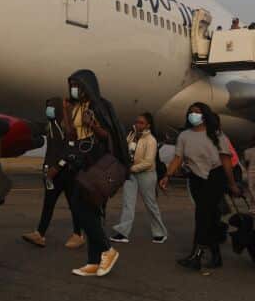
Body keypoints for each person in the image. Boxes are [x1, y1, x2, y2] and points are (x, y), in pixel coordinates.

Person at [59, 71, 128, 278]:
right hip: (81, 160)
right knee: (89, 210)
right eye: (71, 85)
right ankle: (93, 261)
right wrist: (65, 112)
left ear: (87, 86)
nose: (74, 89)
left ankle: (107, 250)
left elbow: (109, 136)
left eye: (77, 85)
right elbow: (71, 135)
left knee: (81, 206)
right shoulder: (77, 107)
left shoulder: (99, 106)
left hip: (96, 161)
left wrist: (93, 125)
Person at [161, 103, 237, 272]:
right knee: (207, 217)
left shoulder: (217, 135)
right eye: (191, 112)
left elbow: (226, 161)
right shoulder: (184, 136)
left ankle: (196, 256)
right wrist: (167, 175)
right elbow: (177, 158)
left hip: (214, 177)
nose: (193, 115)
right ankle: (216, 256)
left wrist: (231, 183)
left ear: (205, 115)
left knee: (202, 216)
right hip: (196, 178)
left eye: (197, 112)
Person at [22, 97, 82, 248]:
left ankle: (78, 234)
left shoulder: (66, 127)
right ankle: (40, 234)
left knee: (73, 205)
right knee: (48, 204)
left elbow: (70, 149)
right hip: (51, 174)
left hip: (66, 173)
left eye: (51, 107)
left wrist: (57, 167)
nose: (48, 109)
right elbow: (35, 127)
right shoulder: (50, 126)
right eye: (47, 106)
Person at [110, 112, 168, 244]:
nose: (138, 124)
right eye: (137, 122)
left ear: (148, 125)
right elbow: (125, 151)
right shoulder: (131, 136)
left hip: (146, 174)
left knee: (150, 204)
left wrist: (130, 168)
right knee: (127, 203)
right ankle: (123, 232)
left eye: (141, 122)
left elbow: (148, 162)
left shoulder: (151, 140)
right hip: (131, 174)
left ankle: (159, 232)